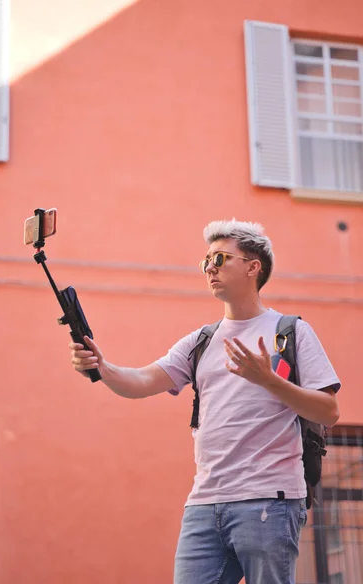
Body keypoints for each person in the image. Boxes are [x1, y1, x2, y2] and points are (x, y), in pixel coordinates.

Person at [69, 219, 341, 584]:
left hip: (269, 500)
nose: (209, 267)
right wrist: (102, 367)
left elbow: (328, 411)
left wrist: (269, 381)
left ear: (252, 266)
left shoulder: (291, 332)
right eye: (206, 261)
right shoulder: (201, 341)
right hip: (204, 503)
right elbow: (141, 381)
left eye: (221, 257)